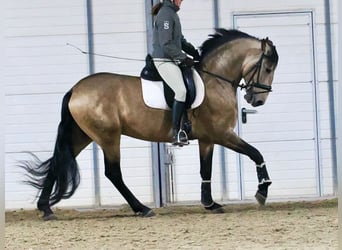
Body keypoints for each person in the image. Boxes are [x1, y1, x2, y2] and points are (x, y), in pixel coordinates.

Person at [151, 0, 200, 146]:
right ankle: (176, 132)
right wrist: (184, 58)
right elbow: (166, 44)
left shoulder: (172, 13)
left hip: (172, 59)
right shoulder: (166, 14)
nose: (181, 1)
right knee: (181, 91)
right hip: (164, 60)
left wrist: (195, 53)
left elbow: (180, 41)